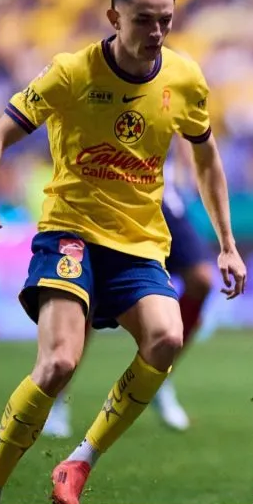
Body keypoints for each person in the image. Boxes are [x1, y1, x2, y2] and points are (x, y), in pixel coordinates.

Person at [0, 0, 247, 504]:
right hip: (70, 231)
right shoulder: (72, 73)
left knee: (167, 337)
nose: (157, 34)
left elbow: (208, 161)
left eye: (166, 20)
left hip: (140, 240)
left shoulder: (185, 79)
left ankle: (77, 463)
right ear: (115, 16)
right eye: (144, 21)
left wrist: (228, 245)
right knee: (58, 363)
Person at [43, 138, 216, 437]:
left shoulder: (174, 92)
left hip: (159, 191)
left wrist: (189, 167)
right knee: (90, 295)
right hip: (106, 190)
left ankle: (159, 376)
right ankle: (57, 397)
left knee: (201, 279)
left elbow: (185, 120)